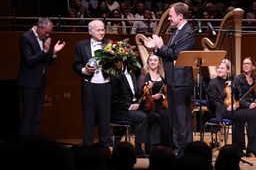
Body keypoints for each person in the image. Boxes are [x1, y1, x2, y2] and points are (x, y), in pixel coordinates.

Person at [144, 2, 196, 157]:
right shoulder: (177, 31)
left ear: (180, 16)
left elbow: (177, 54)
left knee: (182, 121)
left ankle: (184, 152)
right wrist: (156, 48)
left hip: (182, 82)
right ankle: (176, 150)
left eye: (171, 16)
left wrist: (160, 45)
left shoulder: (188, 32)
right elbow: (169, 52)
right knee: (174, 120)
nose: (169, 19)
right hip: (173, 81)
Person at [17, 17, 66, 136]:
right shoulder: (26, 37)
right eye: (46, 32)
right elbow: (29, 61)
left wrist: (53, 52)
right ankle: (25, 146)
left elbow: (46, 62)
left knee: (37, 116)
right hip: (29, 83)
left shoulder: (44, 38)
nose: (48, 35)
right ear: (39, 27)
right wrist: (44, 51)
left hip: (41, 82)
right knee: (28, 116)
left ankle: (35, 145)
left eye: (50, 32)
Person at [206, 59, 256, 157]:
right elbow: (213, 101)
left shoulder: (232, 81)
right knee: (242, 116)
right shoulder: (213, 83)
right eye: (218, 68)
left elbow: (238, 96)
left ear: (228, 70)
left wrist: (234, 89)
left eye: (222, 68)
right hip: (221, 110)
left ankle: (251, 148)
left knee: (251, 114)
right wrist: (227, 107)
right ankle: (240, 149)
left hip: (234, 109)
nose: (219, 70)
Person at [73, 19, 112, 147]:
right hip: (89, 85)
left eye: (103, 29)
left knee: (105, 118)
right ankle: (88, 148)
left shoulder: (110, 44)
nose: (102, 32)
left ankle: (105, 148)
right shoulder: (80, 45)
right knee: (88, 117)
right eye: (99, 30)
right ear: (90, 31)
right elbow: (76, 65)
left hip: (105, 85)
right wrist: (85, 70)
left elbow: (116, 65)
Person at [111, 61, 159, 157]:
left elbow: (136, 93)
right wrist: (129, 106)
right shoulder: (116, 77)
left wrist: (146, 86)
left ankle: (151, 149)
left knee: (155, 116)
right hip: (120, 111)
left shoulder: (132, 75)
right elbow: (113, 99)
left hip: (132, 110)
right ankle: (138, 149)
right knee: (142, 117)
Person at [141, 53, 170, 147]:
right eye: (151, 60)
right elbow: (141, 95)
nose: (153, 62)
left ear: (159, 63)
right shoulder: (145, 76)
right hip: (150, 106)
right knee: (163, 116)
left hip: (161, 104)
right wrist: (152, 96)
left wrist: (161, 96)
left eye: (155, 60)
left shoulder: (162, 76)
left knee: (169, 115)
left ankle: (166, 145)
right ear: (148, 62)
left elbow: (166, 94)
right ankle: (157, 146)